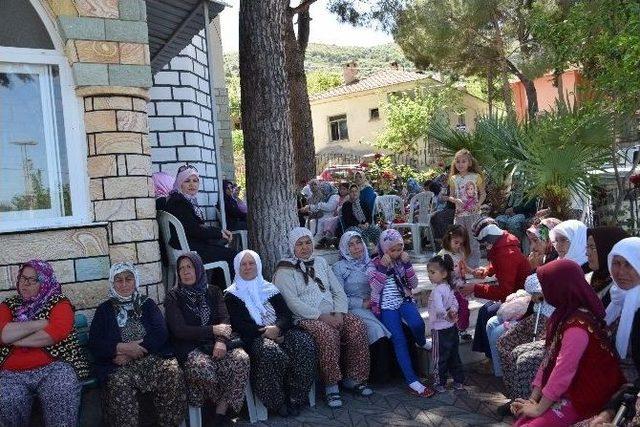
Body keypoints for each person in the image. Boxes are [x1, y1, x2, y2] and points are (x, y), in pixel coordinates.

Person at [510, 259, 625, 427]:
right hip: (573, 387)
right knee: (523, 420)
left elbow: (562, 371)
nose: (544, 291)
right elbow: (548, 358)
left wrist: (538, 409)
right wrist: (533, 399)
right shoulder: (564, 314)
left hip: (588, 394)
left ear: (559, 288)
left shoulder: (576, 327)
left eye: (546, 285)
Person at [273, 227, 372, 409]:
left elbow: (338, 290)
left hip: (333, 313)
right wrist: (322, 317)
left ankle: (354, 378)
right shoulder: (284, 270)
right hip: (305, 317)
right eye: (299, 244)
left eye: (308, 242)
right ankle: (331, 385)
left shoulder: (321, 263)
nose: (305, 247)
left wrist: (340, 312)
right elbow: (292, 302)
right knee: (327, 334)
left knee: (357, 325)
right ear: (292, 247)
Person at [89, 263, 186, 426]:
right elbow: (95, 343)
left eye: (129, 279)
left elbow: (160, 332)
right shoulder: (104, 310)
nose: (124, 284)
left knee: (172, 371)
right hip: (118, 365)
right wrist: (121, 348)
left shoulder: (146, 304)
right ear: (112, 283)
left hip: (151, 358)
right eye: (119, 280)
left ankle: (170, 424)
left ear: (136, 281)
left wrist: (132, 353)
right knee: (119, 383)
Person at [224, 250, 316, 417]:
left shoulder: (269, 288)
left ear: (257, 265)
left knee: (304, 343)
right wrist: (268, 333)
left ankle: (296, 397)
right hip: (256, 337)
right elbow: (241, 325)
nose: (247, 267)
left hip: (280, 331)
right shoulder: (232, 294)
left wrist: (278, 329)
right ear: (237, 267)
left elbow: (285, 314)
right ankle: (277, 401)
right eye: (243, 264)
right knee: (269, 352)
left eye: (251, 263)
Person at [164, 252, 250, 426]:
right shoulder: (173, 297)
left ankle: (220, 414)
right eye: (181, 268)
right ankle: (214, 410)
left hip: (216, 343)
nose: (186, 272)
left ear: (198, 269)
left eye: (190, 267)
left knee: (241, 359)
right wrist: (212, 330)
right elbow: (180, 330)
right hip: (189, 347)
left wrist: (220, 340)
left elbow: (224, 320)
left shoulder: (214, 291)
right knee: (204, 368)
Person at [0, 260, 89, 427]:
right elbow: (1, 334)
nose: (25, 283)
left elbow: (54, 333)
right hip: (12, 373)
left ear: (45, 282)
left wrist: (14, 337)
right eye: (22, 278)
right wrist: (39, 323)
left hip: (55, 366)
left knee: (60, 391)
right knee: (7, 399)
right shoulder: (8, 305)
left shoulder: (58, 302)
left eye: (33, 279)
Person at [368, 229, 435, 398]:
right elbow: (375, 287)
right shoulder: (373, 264)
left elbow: (413, 283)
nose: (397, 253)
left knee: (417, 323)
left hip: (403, 300)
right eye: (393, 250)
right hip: (385, 307)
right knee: (399, 339)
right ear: (384, 248)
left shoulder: (401, 262)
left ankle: (421, 341)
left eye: (400, 249)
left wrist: (408, 265)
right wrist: (383, 268)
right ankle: (412, 381)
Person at [458, 217, 530, 366]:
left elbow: (504, 292)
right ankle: (489, 358)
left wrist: (475, 288)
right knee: (485, 310)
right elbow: (497, 263)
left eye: (484, 243)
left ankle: (493, 361)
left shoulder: (506, 253)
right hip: (514, 296)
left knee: (487, 312)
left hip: (521, 302)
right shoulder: (503, 242)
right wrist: (487, 270)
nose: (485, 246)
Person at [332, 231, 392, 382]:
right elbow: (338, 295)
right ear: (345, 248)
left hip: (377, 304)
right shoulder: (339, 267)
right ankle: (378, 376)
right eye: (350, 245)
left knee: (398, 324)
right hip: (354, 308)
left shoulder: (373, 262)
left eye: (358, 242)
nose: (356, 247)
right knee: (376, 330)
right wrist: (362, 303)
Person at [164, 164, 237, 287]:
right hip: (188, 248)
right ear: (180, 182)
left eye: (195, 181)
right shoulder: (178, 202)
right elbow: (194, 229)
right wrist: (219, 233)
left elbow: (196, 227)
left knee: (222, 245)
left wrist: (219, 233)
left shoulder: (182, 200)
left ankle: (216, 289)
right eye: (187, 181)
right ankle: (225, 294)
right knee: (232, 255)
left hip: (187, 244)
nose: (192, 185)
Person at [427, 254, 465, 393]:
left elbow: (439, 308)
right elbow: (454, 303)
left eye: (433, 272)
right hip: (451, 328)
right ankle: (458, 381)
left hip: (439, 330)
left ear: (443, 274)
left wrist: (447, 315)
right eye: (428, 272)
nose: (430, 275)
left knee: (439, 357)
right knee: (453, 354)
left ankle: (439, 383)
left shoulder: (437, 290)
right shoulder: (448, 287)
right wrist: (453, 312)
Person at [605, 237, 640, 382]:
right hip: (608, 376)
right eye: (616, 263)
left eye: (629, 265)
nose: (620, 272)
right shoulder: (615, 296)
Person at [448, 149, 486, 268]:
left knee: (473, 241)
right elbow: (451, 195)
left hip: (473, 215)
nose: (460, 164)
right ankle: (462, 267)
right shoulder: (453, 178)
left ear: (469, 162)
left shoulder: (476, 177)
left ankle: (473, 267)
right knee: (459, 241)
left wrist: (478, 204)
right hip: (459, 215)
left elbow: (483, 194)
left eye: (463, 161)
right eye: (458, 161)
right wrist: (455, 200)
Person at [438, 224, 473, 339]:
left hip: (461, 286)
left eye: (461, 243)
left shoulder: (460, 253)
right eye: (456, 242)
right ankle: (451, 331)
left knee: (464, 307)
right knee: (451, 309)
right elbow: (439, 274)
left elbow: (465, 267)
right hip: (449, 288)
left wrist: (474, 272)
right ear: (449, 239)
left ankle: (462, 329)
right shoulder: (442, 255)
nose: (458, 246)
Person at [586, 226, 628, 307]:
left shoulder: (623, 288)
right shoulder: (591, 279)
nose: (587, 253)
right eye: (587, 247)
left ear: (608, 248)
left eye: (592, 247)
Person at [301, 182, 341, 246]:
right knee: (311, 221)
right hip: (323, 215)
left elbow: (330, 207)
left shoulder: (334, 196)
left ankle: (317, 240)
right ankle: (311, 239)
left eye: (325, 188)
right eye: (322, 188)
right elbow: (317, 207)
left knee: (319, 222)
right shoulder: (325, 197)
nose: (323, 190)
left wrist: (320, 205)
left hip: (331, 216)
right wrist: (310, 207)